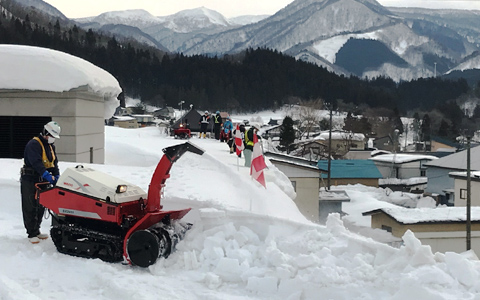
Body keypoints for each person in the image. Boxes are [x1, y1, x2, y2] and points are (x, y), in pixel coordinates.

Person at [20, 121, 61, 244]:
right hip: (30, 179)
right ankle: (31, 232)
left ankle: (37, 230)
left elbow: (54, 162)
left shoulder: (50, 146)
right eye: (52, 136)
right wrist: (46, 175)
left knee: (41, 205)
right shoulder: (34, 144)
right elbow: (36, 163)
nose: (53, 139)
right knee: (30, 205)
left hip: (42, 181)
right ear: (46, 133)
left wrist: (56, 175)